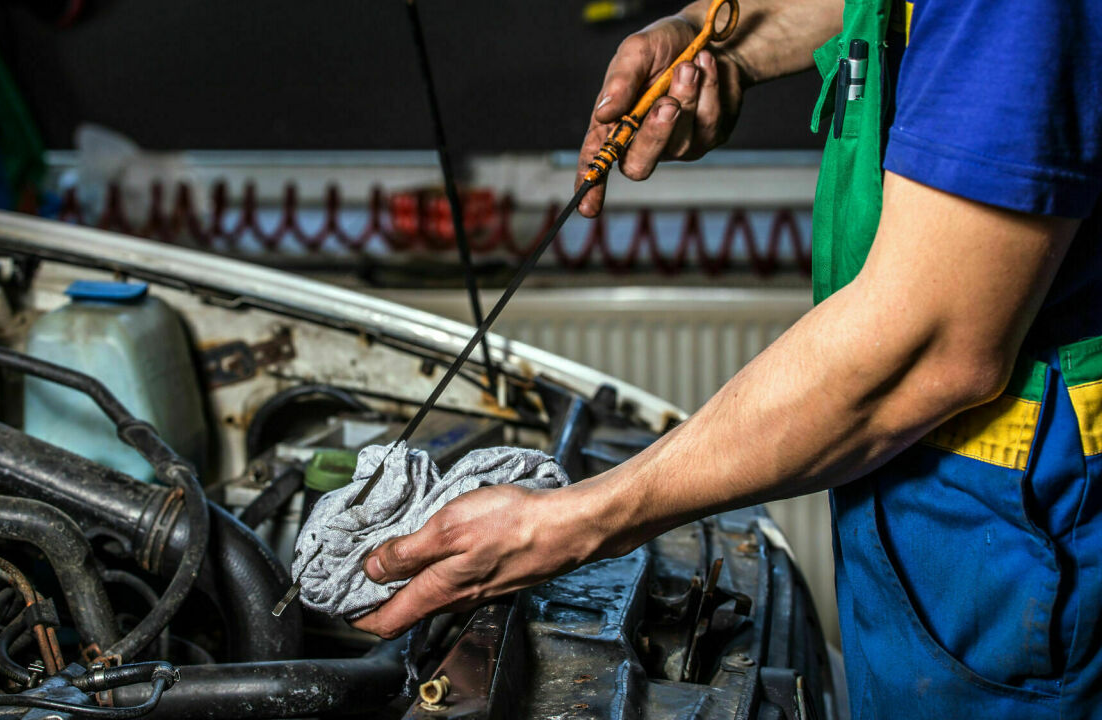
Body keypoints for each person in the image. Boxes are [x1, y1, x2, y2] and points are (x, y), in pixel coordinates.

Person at [352, 0, 1102, 715]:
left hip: (1029, 534)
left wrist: (568, 524)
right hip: (932, 498)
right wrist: (726, 42)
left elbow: (931, 344)